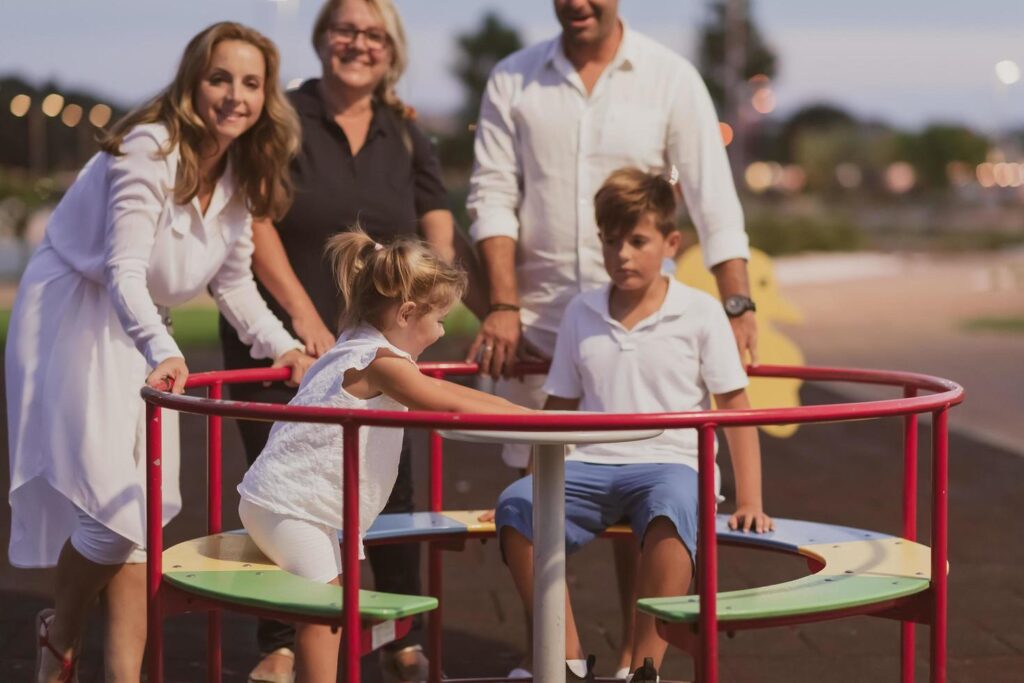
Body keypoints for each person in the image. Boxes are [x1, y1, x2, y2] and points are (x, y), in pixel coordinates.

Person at [5, 22, 313, 683]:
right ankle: (61, 633)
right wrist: (162, 347)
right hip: (75, 314)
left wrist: (284, 346)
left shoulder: (239, 170)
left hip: (145, 323)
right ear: (191, 81)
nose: (235, 95)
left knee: (140, 515)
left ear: (266, 95)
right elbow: (123, 268)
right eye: (219, 78)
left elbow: (233, 281)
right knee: (113, 515)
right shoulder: (149, 148)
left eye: (251, 83)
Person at [466, 0, 758, 670]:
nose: (576, 3)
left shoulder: (669, 75)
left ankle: (636, 662)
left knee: (650, 508)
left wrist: (736, 300)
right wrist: (502, 301)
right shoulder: (513, 77)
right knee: (537, 504)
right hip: (544, 322)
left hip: (645, 328)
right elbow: (490, 194)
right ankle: (559, 659)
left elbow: (714, 197)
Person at [217, 2, 484, 679]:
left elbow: (435, 212)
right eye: (345, 30)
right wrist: (302, 321)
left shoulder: (404, 130)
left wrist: (435, 282)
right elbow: (257, 218)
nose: (358, 44)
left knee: (387, 481)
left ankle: (394, 633)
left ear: (390, 49)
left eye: (373, 34)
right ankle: (284, 640)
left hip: (379, 329)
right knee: (292, 482)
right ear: (322, 38)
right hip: (289, 334)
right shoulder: (285, 116)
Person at [493, 168, 773, 682]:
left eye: (637, 241)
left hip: (671, 463)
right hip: (594, 463)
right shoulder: (582, 311)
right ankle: (565, 660)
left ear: (670, 242)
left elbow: (735, 407)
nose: (622, 254)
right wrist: (536, 474)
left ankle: (642, 668)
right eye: (610, 240)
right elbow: (557, 408)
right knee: (516, 506)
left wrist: (750, 500)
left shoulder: (700, 312)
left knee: (672, 507)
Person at [237, 229, 528, 683]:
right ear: (407, 312)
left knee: (333, 606)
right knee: (325, 609)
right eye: (440, 320)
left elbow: (444, 390)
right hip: (287, 507)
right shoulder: (375, 360)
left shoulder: (355, 344)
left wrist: (519, 413)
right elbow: (443, 402)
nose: (442, 331)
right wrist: (526, 421)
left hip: (302, 507)